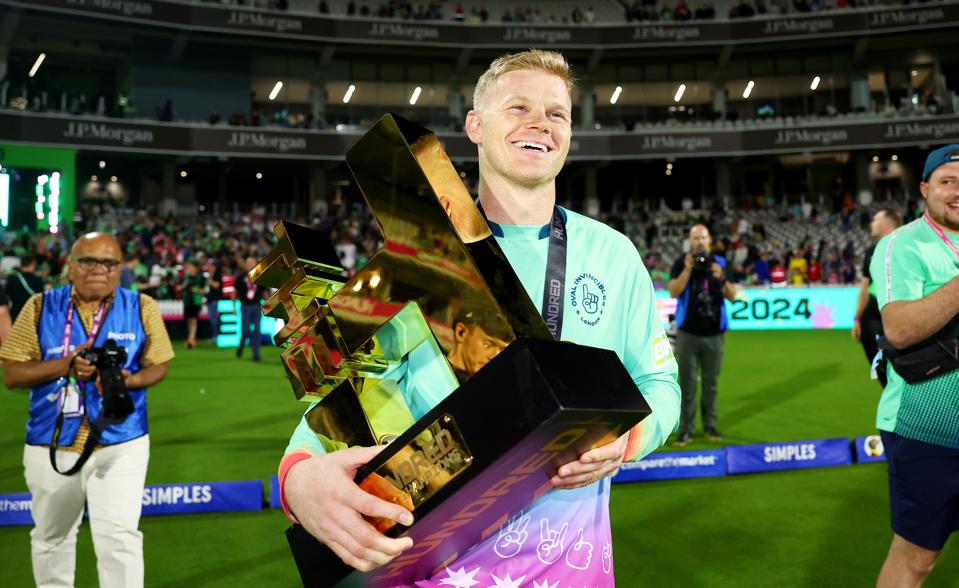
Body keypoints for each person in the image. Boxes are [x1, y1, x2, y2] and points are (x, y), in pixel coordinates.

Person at [276, 50, 680, 585]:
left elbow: (660, 382)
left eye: (557, 113)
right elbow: (340, 406)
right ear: (475, 126)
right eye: (517, 107)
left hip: (575, 569)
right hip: (438, 569)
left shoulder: (614, 255)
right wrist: (298, 482)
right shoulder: (419, 261)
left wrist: (629, 437)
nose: (540, 122)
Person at [0, 232, 174, 588]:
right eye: (88, 261)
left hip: (121, 441)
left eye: (108, 263)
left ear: (120, 268)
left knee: (120, 539)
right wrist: (65, 364)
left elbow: (159, 365)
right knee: (52, 539)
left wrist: (130, 381)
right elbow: (13, 373)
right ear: (70, 266)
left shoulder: (142, 306)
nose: (99, 270)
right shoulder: (38, 306)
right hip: (52, 441)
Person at [871, 144, 959, 588]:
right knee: (917, 558)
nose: (958, 191)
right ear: (925, 188)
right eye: (948, 181)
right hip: (926, 429)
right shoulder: (901, 244)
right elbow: (900, 328)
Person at [667, 224, 737, 446]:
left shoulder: (721, 263)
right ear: (690, 240)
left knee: (711, 384)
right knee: (686, 384)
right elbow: (673, 291)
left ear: (710, 240)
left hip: (714, 334)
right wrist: (687, 270)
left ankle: (710, 426)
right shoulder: (681, 262)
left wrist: (722, 278)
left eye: (703, 237)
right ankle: (686, 429)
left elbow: (734, 296)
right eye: (695, 238)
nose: (699, 241)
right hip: (687, 333)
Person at [852, 207, 903, 389]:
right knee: (881, 371)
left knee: (904, 368)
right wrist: (857, 319)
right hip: (871, 318)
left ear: (888, 223)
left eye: (876, 219)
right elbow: (864, 288)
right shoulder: (870, 252)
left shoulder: (907, 247)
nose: (871, 223)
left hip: (899, 318)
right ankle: (894, 411)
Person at [234, 256, 267, 361]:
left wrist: (268, 305)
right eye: (248, 263)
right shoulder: (240, 277)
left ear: (255, 264)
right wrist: (233, 306)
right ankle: (241, 346)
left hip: (257, 306)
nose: (250, 265)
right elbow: (234, 292)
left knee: (257, 330)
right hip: (245, 305)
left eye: (252, 263)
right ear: (245, 264)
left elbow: (264, 292)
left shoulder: (260, 276)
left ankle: (256, 354)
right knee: (245, 331)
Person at [5, 255, 45, 320]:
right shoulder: (37, 280)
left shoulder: (12, 279)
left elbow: (7, 296)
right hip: (31, 315)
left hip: (16, 314)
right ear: (33, 264)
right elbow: (40, 297)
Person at [180, 258, 205, 349]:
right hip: (187, 300)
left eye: (190, 266)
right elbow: (180, 288)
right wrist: (184, 285)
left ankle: (190, 340)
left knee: (194, 320)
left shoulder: (200, 277)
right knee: (189, 321)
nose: (189, 268)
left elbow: (203, 290)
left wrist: (195, 290)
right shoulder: (186, 277)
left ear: (195, 267)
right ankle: (192, 339)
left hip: (196, 301)